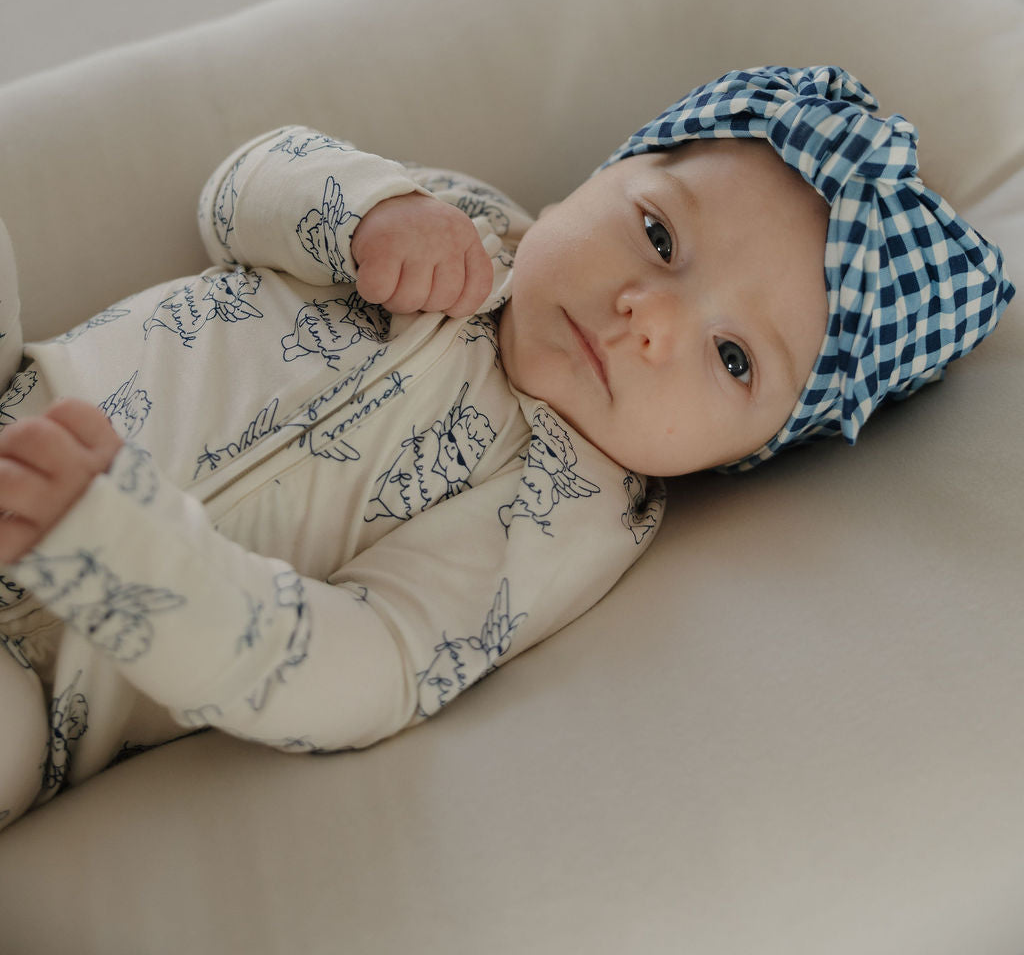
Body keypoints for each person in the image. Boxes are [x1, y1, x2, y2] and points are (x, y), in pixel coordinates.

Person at [0, 64, 1013, 830]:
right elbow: (236, 191)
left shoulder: (563, 515)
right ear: (601, 177)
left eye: (735, 359)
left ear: (748, 452)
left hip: (55, 676)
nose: (647, 315)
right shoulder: (461, 226)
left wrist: (123, 553)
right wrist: (363, 211)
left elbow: (365, 667)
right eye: (658, 237)